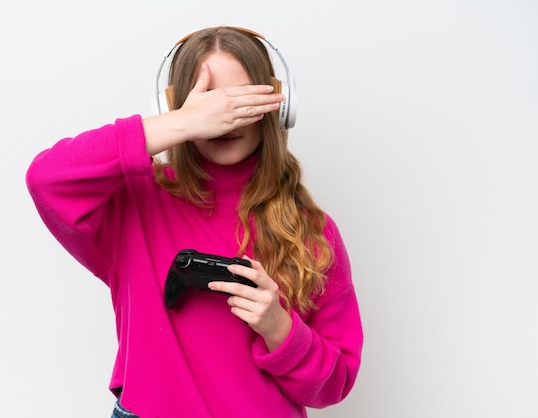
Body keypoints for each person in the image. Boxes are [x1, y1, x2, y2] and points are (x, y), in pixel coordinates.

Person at [26, 26, 363, 418]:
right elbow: (46, 179)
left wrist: (278, 328)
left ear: (275, 105)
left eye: (239, 100)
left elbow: (335, 383)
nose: (225, 118)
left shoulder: (311, 230)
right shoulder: (136, 199)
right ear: (176, 107)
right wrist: (181, 126)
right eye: (208, 102)